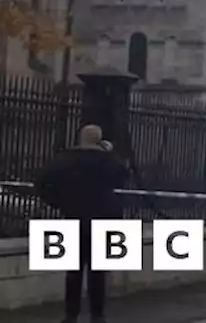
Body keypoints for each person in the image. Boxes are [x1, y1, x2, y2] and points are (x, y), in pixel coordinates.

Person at [36, 124, 130, 323]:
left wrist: (60, 203)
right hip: (101, 221)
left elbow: (42, 183)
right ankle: (97, 315)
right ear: (99, 141)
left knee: (73, 272)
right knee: (97, 272)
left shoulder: (63, 160)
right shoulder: (107, 161)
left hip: (73, 218)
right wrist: (108, 151)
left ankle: (71, 315)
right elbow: (123, 176)